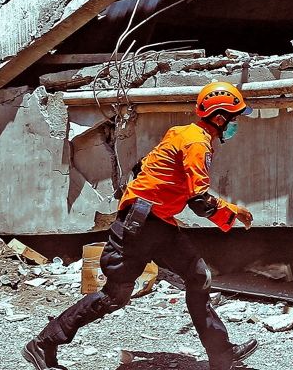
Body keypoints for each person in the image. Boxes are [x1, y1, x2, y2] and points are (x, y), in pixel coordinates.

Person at [24, 81, 259, 370]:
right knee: (115, 296)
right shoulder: (197, 143)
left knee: (198, 277)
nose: (236, 125)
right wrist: (233, 212)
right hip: (140, 227)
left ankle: (222, 356)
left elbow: (143, 166)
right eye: (234, 118)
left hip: (158, 224)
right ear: (220, 118)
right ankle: (44, 342)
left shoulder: (182, 133)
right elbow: (199, 201)